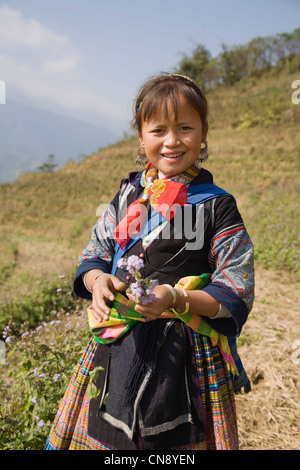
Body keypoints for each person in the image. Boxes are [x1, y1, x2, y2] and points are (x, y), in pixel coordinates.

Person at [45, 73, 254, 451]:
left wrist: (175, 299)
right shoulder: (127, 194)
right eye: (158, 129)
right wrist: (97, 282)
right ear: (141, 138)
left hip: (187, 354)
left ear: (204, 132)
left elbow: (235, 286)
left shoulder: (217, 206)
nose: (172, 141)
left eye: (185, 127)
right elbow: (95, 253)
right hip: (117, 343)